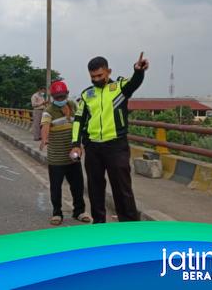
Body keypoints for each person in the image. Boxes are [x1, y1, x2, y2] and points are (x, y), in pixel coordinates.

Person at [70, 53, 149, 223]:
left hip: (116, 146)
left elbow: (134, 82)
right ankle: (99, 225)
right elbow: (78, 120)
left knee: (122, 188)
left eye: (100, 75)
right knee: (95, 188)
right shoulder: (87, 95)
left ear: (108, 72)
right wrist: (76, 144)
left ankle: (128, 226)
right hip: (93, 147)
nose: (96, 79)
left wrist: (138, 71)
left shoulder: (119, 88)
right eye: (93, 76)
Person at [39, 80, 91, 226]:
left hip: (73, 154)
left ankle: (79, 211)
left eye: (62, 97)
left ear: (67, 94)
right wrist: (44, 139)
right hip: (56, 157)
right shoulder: (48, 111)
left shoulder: (73, 106)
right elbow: (45, 125)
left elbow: (80, 122)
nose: (60, 100)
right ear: (52, 97)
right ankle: (57, 213)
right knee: (56, 186)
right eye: (57, 97)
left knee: (78, 185)